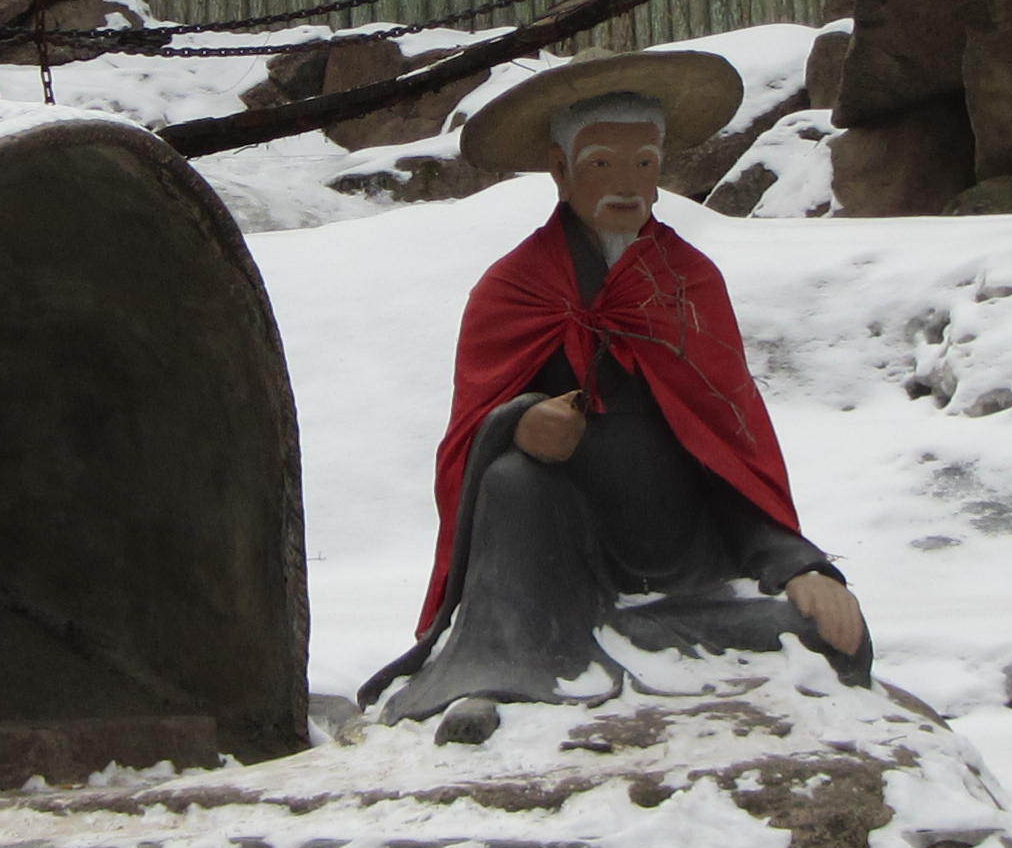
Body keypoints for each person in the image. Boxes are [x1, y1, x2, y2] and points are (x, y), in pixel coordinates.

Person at [364, 50, 872, 723]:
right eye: (603, 163)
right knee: (513, 479)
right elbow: (469, 435)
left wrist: (799, 566)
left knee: (836, 639)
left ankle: (582, 649)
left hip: (686, 572)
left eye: (645, 163)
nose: (627, 184)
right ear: (560, 171)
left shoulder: (688, 284)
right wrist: (516, 422)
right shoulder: (514, 288)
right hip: (554, 566)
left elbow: (728, 446)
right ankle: (503, 665)